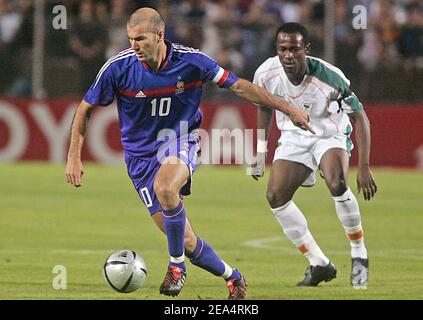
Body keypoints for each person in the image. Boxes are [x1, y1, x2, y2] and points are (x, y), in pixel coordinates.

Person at [65, 8, 313, 299]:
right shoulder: (118, 68)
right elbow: (85, 108)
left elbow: (241, 88)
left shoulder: (192, 61)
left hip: (179, 140)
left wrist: (289, 108)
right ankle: (233, 277)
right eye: (131, 39)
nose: (134, 46)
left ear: (160, 35)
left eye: (141, 39)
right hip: (139, 159)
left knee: (165, 187)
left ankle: (176, 267)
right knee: (185, 239)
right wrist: (73, 155)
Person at [249, 23, 377, 288]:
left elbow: (360, 116)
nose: (288, 55)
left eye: (294, 49)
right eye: (282, 49)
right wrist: (260, 152)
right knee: (275, 197)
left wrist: (364, 165)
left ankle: (359, 254)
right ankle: (319, 263)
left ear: (305, 49)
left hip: (329, 133)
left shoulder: (330, 77)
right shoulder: (266, 73)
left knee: (337, 183)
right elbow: (264, 107)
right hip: (295, 137)